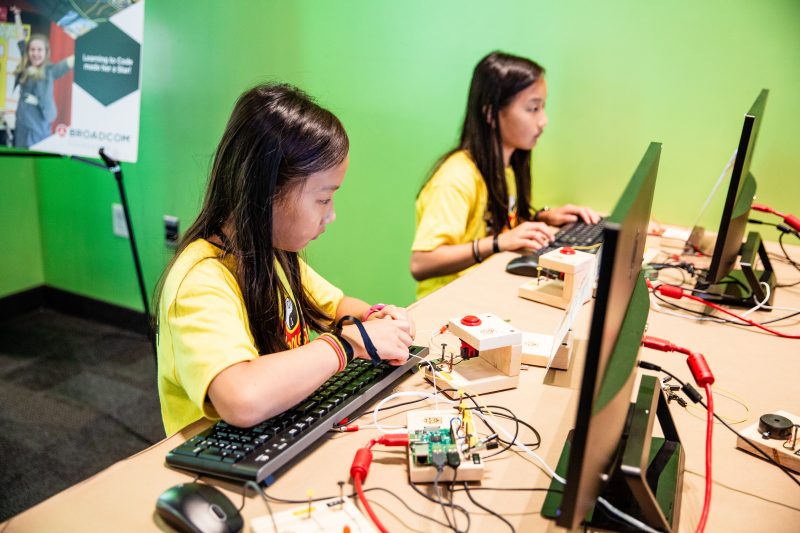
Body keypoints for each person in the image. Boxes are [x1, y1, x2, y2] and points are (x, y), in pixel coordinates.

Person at [156, 84, 415, 436]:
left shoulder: (274, 255)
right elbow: (241, 398)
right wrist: (350, 344)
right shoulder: (200, 280)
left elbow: (336, 305)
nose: (332, 215)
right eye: (323, 199)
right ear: (268, 192)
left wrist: (374, 318)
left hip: (275, 432)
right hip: (218, 464)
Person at [410, 51, 600, 299]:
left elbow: (496, 226)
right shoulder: (456, 179)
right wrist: (499, 242)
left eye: (542, 107)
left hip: (485, 290)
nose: (543, 120)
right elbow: (421, 263)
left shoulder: (506, 168)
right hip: (450, 303)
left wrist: (542, 218)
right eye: (532, 108)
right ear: (490, 114)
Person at [11, 5, 74, 148]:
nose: (35, 53)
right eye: (32, 49)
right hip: (22, 125)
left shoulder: (51, 70)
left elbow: (70, 61)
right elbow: (20, 39)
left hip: (39, 128)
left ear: (46, 52)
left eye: (39, 50)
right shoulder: (26, 64)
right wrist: (16, 16)